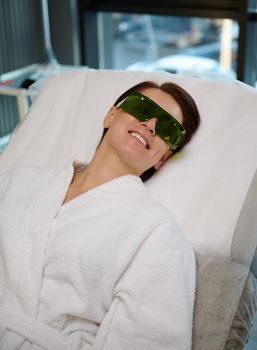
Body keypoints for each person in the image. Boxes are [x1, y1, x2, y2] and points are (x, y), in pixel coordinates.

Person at [0, 80, 200, 350]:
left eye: (167, 128)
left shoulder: (158, 233)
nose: (151, 125)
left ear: (162, 158)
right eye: (143, 109)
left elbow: (149, 339)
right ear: (111, 115)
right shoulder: (20, 181)